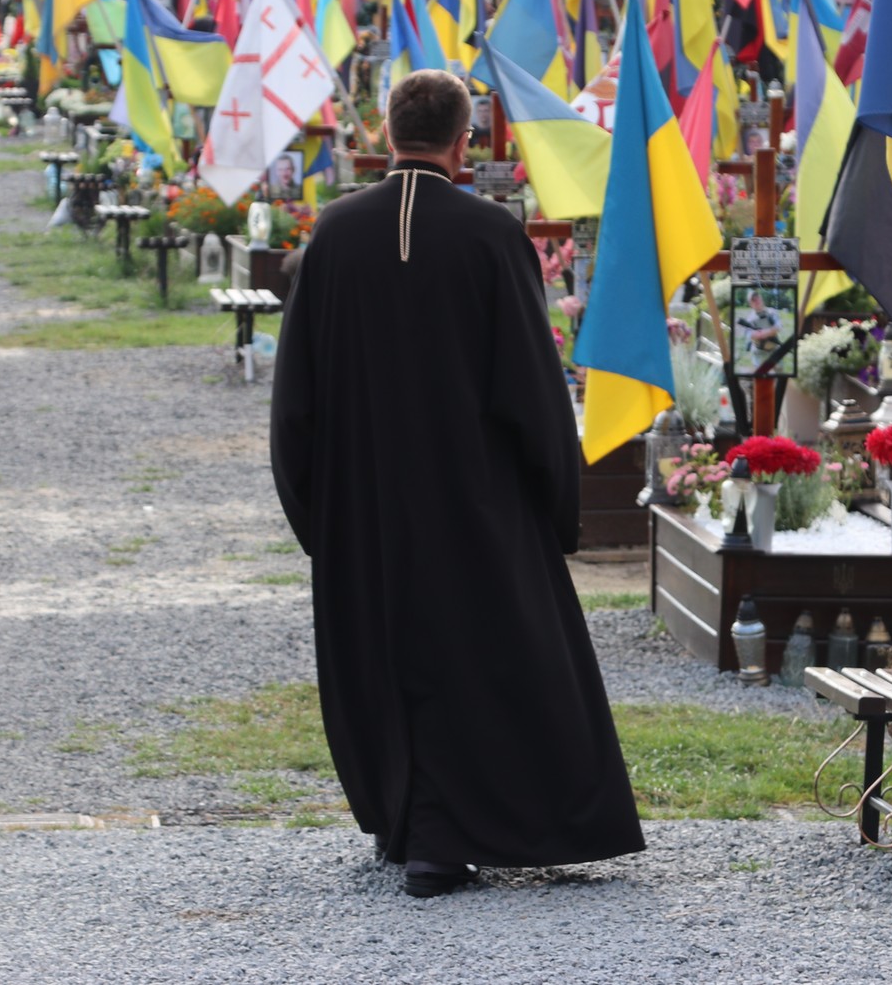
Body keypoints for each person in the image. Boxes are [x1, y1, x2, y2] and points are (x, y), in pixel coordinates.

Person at [271, 70, 643, 898]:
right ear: (464, 142)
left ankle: (404, 818)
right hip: (474, 502)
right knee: (487, 658)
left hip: (363, 504)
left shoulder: (331, 236)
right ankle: (435, 836)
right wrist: (554, 502)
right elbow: (532, 388)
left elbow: (294, 399)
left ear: (387, 131)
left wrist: (318, 512)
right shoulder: (488, 234)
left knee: (388, 650)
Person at [734, 290, 785, 373]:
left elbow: (779, 327)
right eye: (753, 300)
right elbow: (749, 334)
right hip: (759, 353)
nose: (756, 301)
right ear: (751, 304)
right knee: (760, 376)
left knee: (780, 373)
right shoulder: (750, 319)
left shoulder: (772, 312)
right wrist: (768, 332)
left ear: (761, 299)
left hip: (774, 349)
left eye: (757, 298)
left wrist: (764, 333)